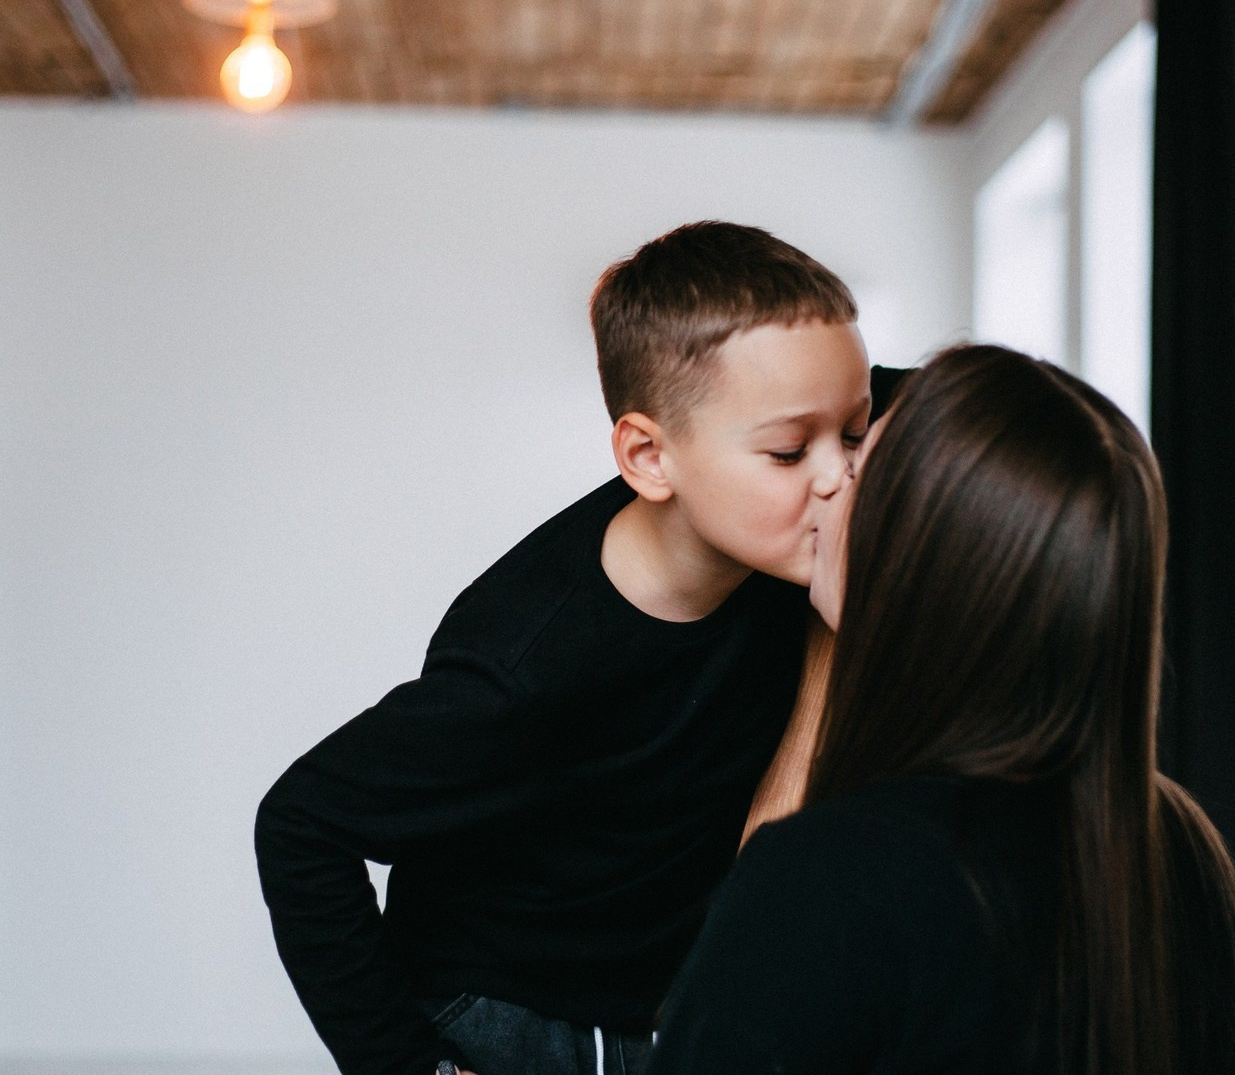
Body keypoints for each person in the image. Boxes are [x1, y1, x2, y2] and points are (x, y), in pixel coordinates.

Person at [255, 221, 882, 1075]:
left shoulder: (778, 510)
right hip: (521, 1014)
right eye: (787, 451)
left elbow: (939, 399)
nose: (839, 476)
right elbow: (300, 822)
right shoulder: (528, 665)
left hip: (663, 985)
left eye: (855, 432)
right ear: (649, 457)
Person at [649, 344, 1235, 1075]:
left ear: (920, 562)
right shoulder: (1183, 855)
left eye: (859, 467)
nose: (828, 489)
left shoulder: (830, 878)